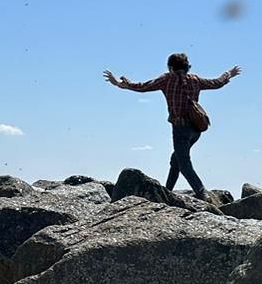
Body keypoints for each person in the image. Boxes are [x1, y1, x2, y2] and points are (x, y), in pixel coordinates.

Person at [103, 54, 242, 198]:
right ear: (186, 67)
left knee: (184, 164)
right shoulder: (195, 79)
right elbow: (216, 83)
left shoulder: (167, 79)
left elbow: (143, 87)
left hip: (180, 129)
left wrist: (121, 84)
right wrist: (229, 74)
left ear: (171, 67)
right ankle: (167, 191)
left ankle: (201, 192)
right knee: (176, 160)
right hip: (196, 129)